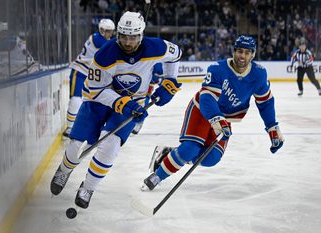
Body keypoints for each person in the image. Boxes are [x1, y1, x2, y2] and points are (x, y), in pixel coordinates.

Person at [50, 11, 182, 209]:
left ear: (141, 35)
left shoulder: (157, 47)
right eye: (124, 37)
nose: (128, 42)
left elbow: (176, 54)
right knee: (76, 143)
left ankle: (88, 186)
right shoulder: (104, 55)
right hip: (99, 100)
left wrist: (170, 80)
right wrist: (123, 102)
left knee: (111, 146)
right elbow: (95, 91)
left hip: (132, 103)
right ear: (118, 34)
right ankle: (64, 169)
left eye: (133, 37)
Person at [141, 35, 285, 191]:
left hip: (225, 118)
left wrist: (272, 128)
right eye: (239, 51)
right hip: (202, 111)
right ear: (233, 51)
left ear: (253, 54)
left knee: (211, 158)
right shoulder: (217, 69)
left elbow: (265, 103)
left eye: (246, 52)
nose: (242, 56)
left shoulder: (259, 74)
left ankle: (168, 154)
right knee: (190, 149)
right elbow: (207, 99)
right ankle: (157, 176)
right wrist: (218, 120)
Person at [63, 18, 115, 137]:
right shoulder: (97, 39)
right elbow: (111, 49)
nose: (109, 34)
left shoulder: (101, 38)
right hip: (80, 71)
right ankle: (70, 127)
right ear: (101, 30)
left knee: (92, 100)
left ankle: (86, 125)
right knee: (76, 99)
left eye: (111, 31)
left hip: (91, 75)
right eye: (107, 31)